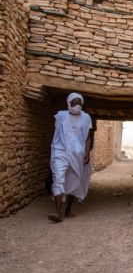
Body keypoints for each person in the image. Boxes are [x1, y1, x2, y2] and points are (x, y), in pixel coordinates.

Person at [48, 93, 93, 222]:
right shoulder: (61, 116)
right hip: (60, 150)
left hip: (77, 153)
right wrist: (53, 153)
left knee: (74, 180)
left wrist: (87, 152)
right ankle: (58, 213)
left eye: (80, 103)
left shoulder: (85, 118)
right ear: (69, 104)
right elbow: (56, 134)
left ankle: (68, 209)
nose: (77, 106)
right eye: (75, 103)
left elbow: (88, 137)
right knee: (58, 178)